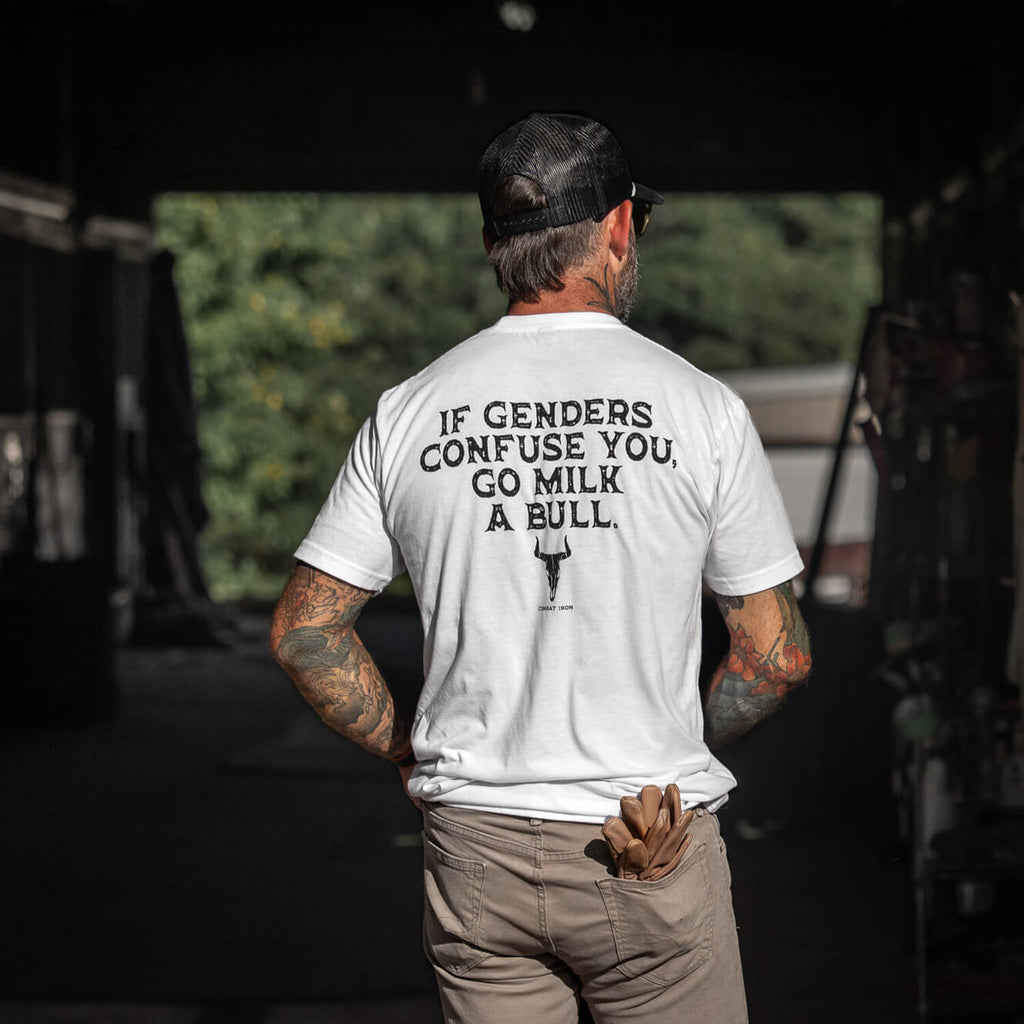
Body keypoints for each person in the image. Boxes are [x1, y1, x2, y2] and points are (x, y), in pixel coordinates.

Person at [270, 112, 812, 1024]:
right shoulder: (701, 409)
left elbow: (303, 634)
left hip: (475, 852)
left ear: (493, 244)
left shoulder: (409, 412)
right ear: (620, 228)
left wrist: (408, 751)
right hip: (645, 833)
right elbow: (776, 655)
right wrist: (673, 736)